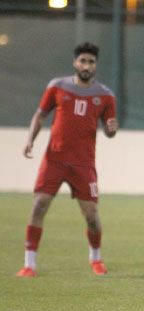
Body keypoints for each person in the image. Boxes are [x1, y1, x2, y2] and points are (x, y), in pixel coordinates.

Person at [16, 42, 118, 278]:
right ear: (75, 63)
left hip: (84, 164)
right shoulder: (57, 86)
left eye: (91, 62)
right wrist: (30, 139)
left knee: (92, 217)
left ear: (96, 66)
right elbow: (39, 115)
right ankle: (29, 264)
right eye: (82, 60)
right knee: (39, 204)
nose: (86, 65)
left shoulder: (105, 95)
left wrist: (112, 129)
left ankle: (96, 259)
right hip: (55, 160)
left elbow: (110, 130)